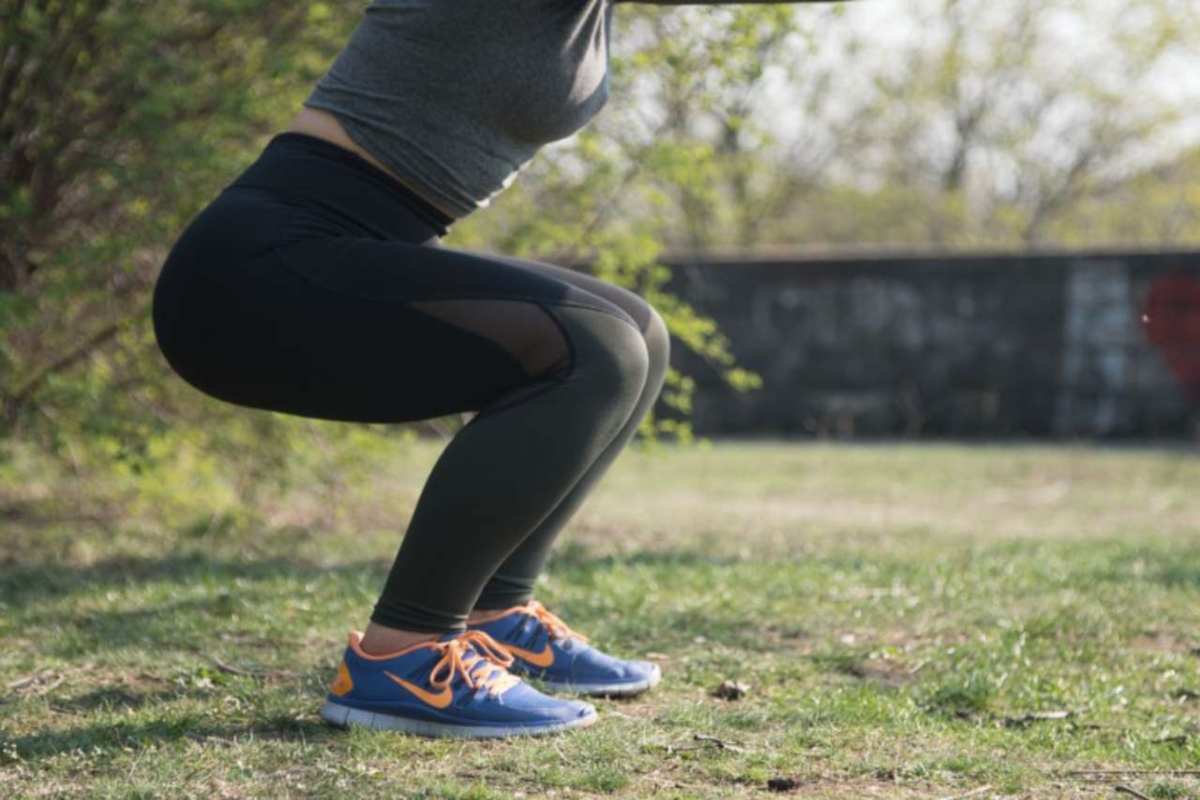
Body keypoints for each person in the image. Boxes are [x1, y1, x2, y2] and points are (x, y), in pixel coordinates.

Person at [151, 0, 826, 739]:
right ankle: (403, 655)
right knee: (593, 350)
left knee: (640, 333)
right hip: (256, 270)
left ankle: (494, 616)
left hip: (341, 249)